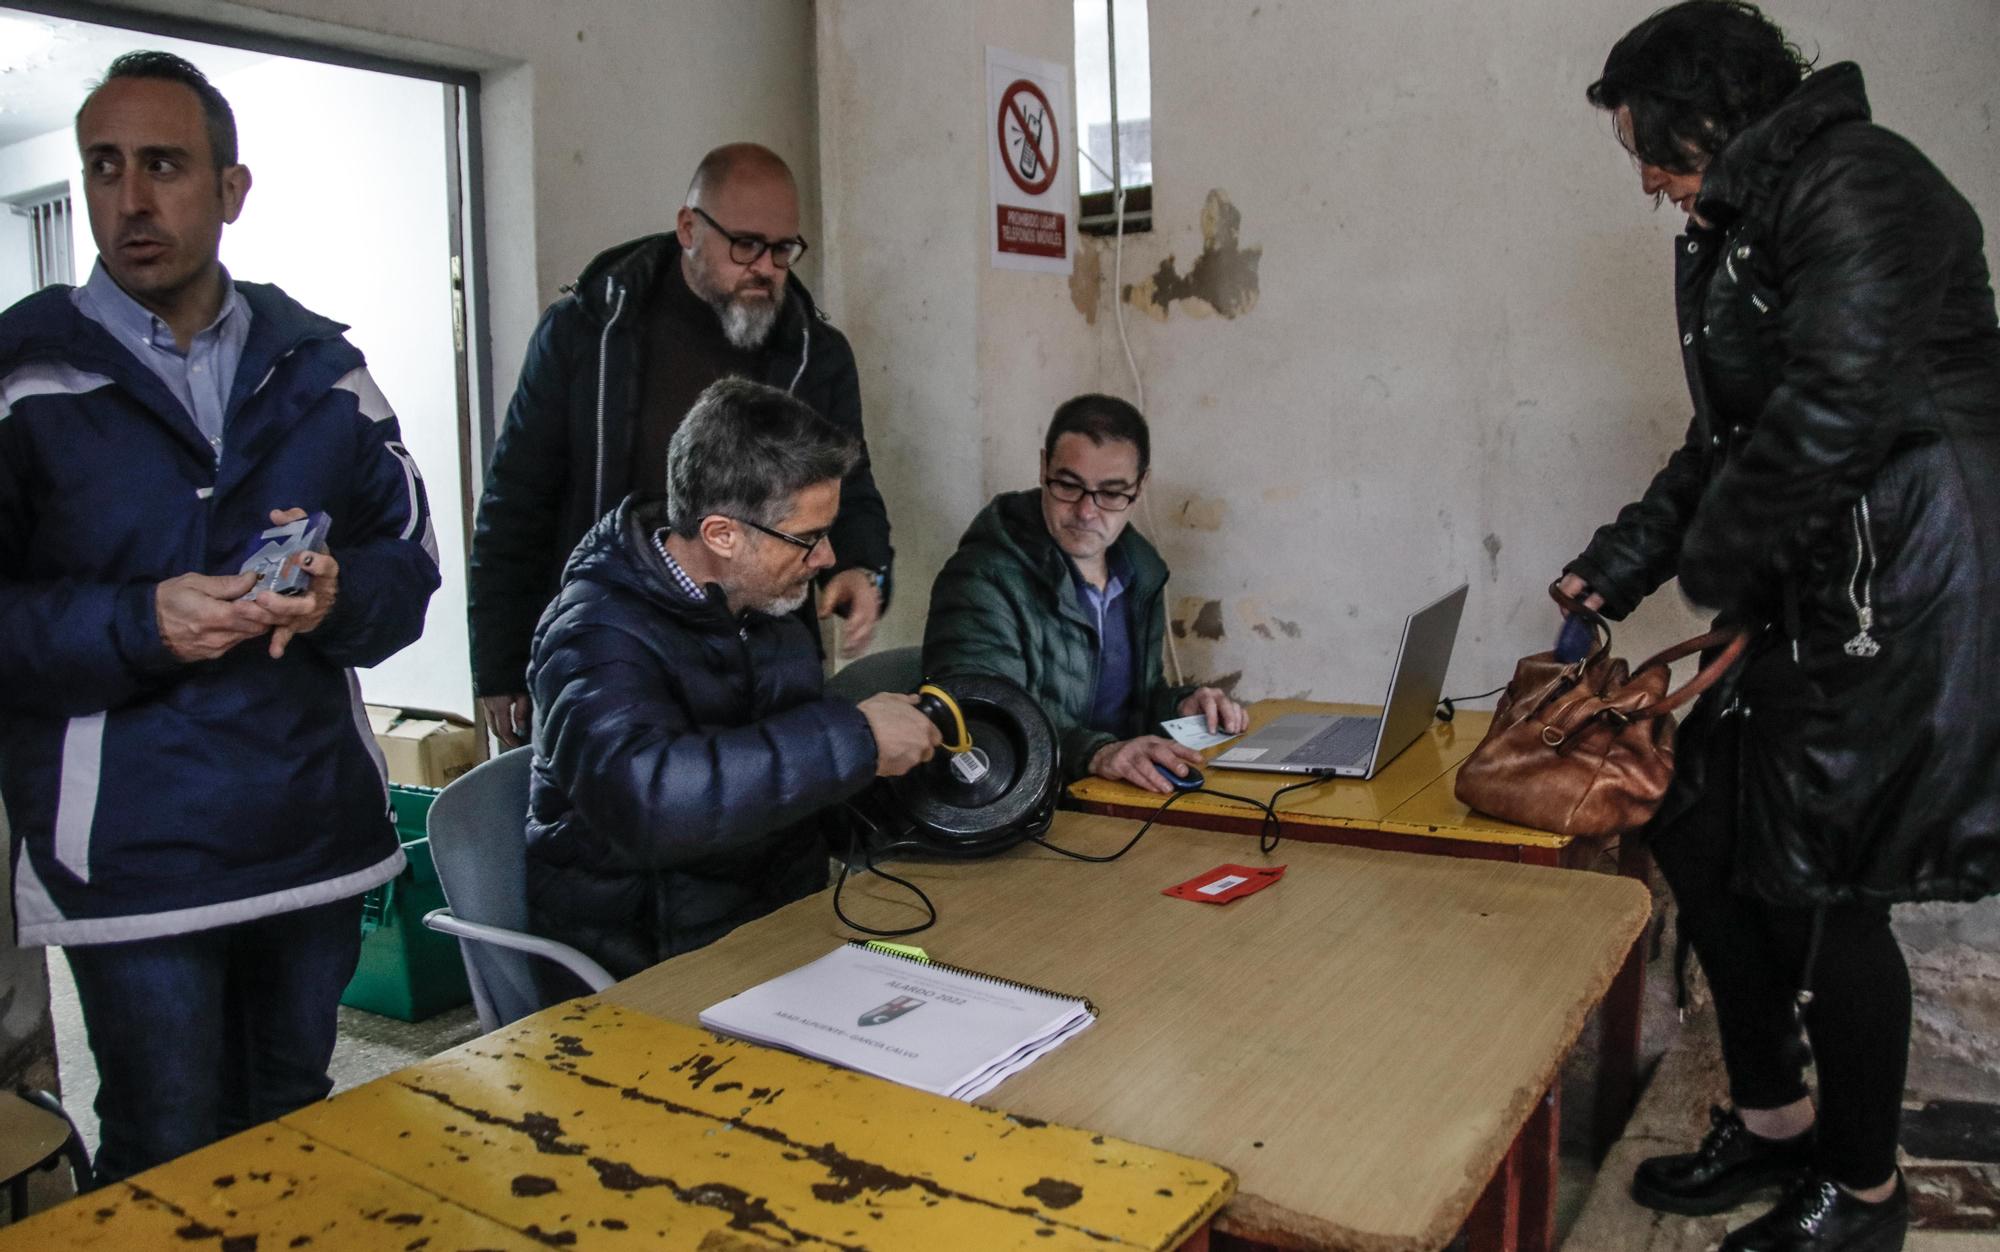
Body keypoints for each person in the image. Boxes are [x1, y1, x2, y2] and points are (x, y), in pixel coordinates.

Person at [1562, 5, 2000, 1249]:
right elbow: (1732, 437)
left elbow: (1831, 408)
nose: (1646, 177)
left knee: (1836, 889)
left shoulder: (1860, 184)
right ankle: (1772, 1127)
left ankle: (1861, 1195)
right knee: (1694, 819)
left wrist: (1711, 571)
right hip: (1820, 575)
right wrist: (1615, 566)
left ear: (1711, 107)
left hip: (1897, 587)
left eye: (1651, 145)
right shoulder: (1736, 218)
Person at [0, 52, 439, 1182]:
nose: (131, 199)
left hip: (306, 829)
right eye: (104, 167)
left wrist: (342, 597)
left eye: (164, 165)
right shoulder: (24, 375)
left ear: (230, 188)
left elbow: (411, 562)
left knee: (295, 1114)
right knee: (167, 1140)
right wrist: (138, 623)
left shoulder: (323, 369)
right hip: (131, 853)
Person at [470, 143, 893, 748]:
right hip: (613, 647)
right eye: (745, 244)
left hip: (762, 656)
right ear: (689, 227)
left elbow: (849, 485)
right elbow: (517, 499)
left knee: (765, 804)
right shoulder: (588, 333)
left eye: (783, 250)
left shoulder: (813, 353)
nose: (767, 268)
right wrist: (500, 658)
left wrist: (859, 564)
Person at [525, 378, 940, 989]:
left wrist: (909, 778)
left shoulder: (765, 603)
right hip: (649, 966)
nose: (827, 558)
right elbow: (646, 799)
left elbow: (787, 784)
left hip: (775, 935)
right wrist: (856, 738)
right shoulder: (593, 632)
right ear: (722, 533)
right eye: (809, 537)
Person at [923, 394, 1247, 794]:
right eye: (1068, 485)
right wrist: (1096, 753)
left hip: (1112, 797)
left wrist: (1179, 708)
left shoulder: (1138, 573)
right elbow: (985, 719)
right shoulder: (981, 577)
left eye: (1111, 493)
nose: (1086, 512)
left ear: (1141, 485)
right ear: (1044, 468)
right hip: (1028, 807)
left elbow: (1130, 703)